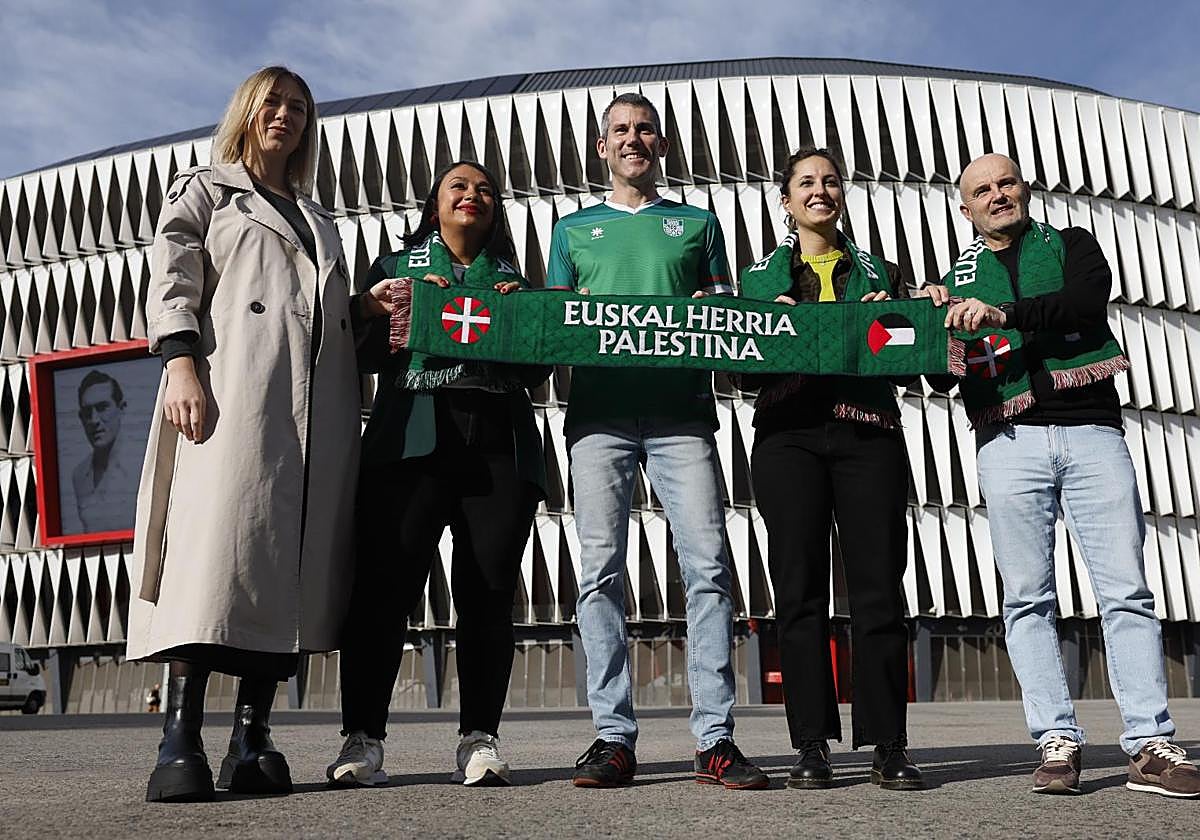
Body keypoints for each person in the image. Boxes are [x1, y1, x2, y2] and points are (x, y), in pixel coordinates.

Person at [125, 66, 393, 803]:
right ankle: (179, 738)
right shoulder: (206, 190)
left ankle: (253, 735)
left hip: (314, 415)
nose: (286, 115)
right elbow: (172, 280)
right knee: (212, 558)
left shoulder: (319, 219)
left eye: (299, 107)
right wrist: (180, 364)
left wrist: (361, 308)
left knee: (286, 566)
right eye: (273, 102)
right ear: (247, 109)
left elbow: (315, 312)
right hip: (232, 394)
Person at [940, 153, 1199, 798]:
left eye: (1006, 182)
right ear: (966, 209)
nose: (997, 194)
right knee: (1026, 598)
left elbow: (1082, 305)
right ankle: (1056, 740)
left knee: (1126, 592)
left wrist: (999, 315)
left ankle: (1149, 744)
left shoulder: (1073, 245)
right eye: (982, 190)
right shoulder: (955, 280)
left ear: (1024, 190)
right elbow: (943, 374)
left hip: (1092, 432)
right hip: (1007, 440)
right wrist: (929, 320)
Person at [546, 92, 767, 790]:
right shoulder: (571, 230)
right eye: (620, 130)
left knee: (708, 569)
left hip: (682, 417)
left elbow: (729, 317)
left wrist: (716, 306)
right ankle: (612, 737)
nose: (632, 139)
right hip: (598, 419)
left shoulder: (698, 223)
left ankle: (714, 739)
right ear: (602, 147)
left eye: (644, 129)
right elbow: (552, 326)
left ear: (661, 145)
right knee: (598, 574)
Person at [327, 161, 548, 788]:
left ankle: (480, 737)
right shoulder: (395, 269)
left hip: (499, 451)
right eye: (459, 186)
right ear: (434, 206)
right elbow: (359, 354)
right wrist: (379, 310)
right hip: (410, 446)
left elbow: (536, 372)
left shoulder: (514, 283)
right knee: (383, 592)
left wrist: (524, 320)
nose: (473, 195)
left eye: (485, 190)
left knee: (488, 595)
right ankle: (362, 737)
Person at [738, 147, 923, 791]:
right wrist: (769, 328)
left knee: (879, 589)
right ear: (785, 200)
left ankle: (888, 744)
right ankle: (810, 744)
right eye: (806, 183)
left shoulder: (884, 273)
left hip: (868, 432)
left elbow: (911, 363)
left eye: (831, 181)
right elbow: (740, 373)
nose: (820, 191)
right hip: (788, 436)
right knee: (799, 590)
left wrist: (906, 313)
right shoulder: (755, 280)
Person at [70, 370, 140, 532]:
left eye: (102, 408)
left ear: (121, 408)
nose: (94, 420)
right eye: (87, 412)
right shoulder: (79, 475)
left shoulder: (141, 465)